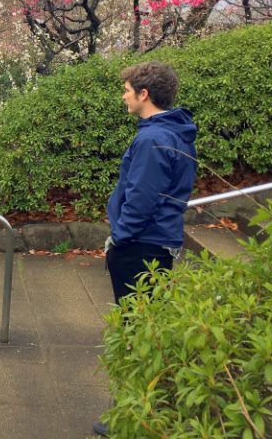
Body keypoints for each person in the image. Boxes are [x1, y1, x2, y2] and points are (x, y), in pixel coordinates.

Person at [93, 61, 197, 438]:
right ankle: (140, 409)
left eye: (126, 89)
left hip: (142, 246)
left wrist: (119, 237)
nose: (123, 95)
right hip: (157, 242)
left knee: (137, 331)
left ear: (144, 94)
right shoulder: (173, 132)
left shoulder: (153, 139)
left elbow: (142, 198)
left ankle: (135, 414)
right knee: (145, 327)